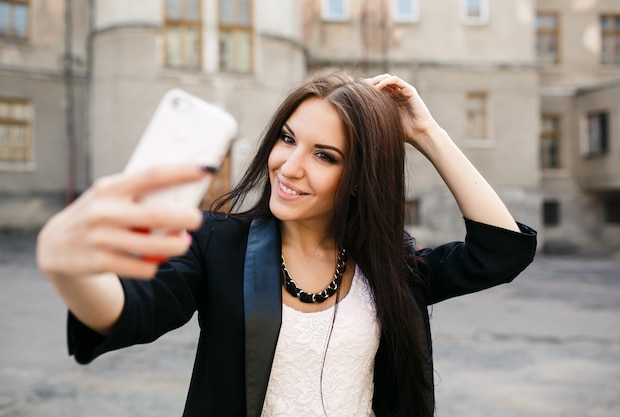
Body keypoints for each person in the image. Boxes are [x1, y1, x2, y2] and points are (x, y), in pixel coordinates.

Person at [37, 71, 537, 417]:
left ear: (361, 175)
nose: (291, 166)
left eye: (325, 155)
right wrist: (72, 270)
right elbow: (128, 311)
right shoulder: (218, 242)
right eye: (287, 138)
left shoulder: (391, 263)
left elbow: (501, 251)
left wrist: (426, 132)